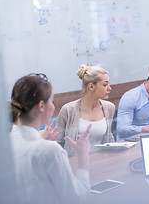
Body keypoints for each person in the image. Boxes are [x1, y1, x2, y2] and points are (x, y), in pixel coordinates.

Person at [9, 73, 91, 204]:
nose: (53, 107)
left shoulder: (6, 144)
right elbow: (76, 198)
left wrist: (42, 142)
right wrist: (83, 157)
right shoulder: (49, 150)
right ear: (41, 106)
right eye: (52, 101)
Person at [57, 64, 115, 157]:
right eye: (105, 84)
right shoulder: (68, 110)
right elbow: (57, 142)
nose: (109, 88)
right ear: (91, 86)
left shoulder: (109, 108)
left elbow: (109, 138)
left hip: (101, 161)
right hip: (75, 163)